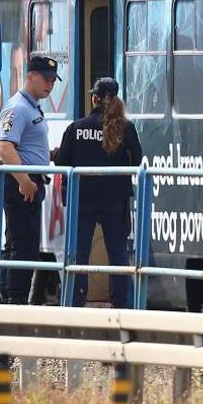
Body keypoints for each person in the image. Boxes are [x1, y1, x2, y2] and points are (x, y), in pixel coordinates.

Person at [52, 77, 145, 309]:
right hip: (116, 200)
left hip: (82, 200)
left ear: (94, 98)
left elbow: (63, 162)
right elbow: (138, 160)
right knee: (118, 255)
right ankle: (122, 304)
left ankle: (75, 302)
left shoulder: (76, 128)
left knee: (79, 254)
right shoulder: (127, 128)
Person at [0, 54, 60, 304]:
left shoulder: (32, 106)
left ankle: (9, 297)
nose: (50, 84)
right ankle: (16, 300)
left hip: (29, 181)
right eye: (46, 79)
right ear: (30, 76)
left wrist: (49, 155)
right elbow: (5, 148)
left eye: (53, 80)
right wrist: (23, 180)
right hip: (21, 183)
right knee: (23, 247)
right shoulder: (18, 107)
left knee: (18, 243)